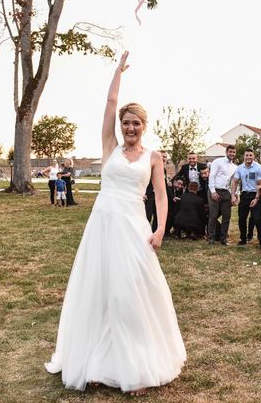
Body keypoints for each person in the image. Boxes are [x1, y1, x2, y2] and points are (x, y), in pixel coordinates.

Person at [45, 51, 186, 396]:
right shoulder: (109, 147)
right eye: (126, 122)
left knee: (130, 295)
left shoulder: (154, 157)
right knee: (98, 292)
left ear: (144, 126)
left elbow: (161, 196)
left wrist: (160, 229)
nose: (130, 128)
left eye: (136, 123)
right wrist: (117, 72)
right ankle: (97, 361)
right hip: (102, 227)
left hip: (133, 228)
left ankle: (136, 367)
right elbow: (110, 102)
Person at [231, 149, 261, 252]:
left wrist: (256, 198)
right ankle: (243, 239)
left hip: (255, 195)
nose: (248, 157)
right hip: (244, 195)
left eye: (250, 155)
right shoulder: (240, 168)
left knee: (257, 219)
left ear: (253, 156)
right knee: (242, 219)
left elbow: (260, 185)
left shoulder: (258, 167)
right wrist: (233, 195)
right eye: (247, 155)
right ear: (244, 156)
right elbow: (235, 181)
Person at [208, 145, 237, 245]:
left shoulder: (235, 167)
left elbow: (234, 182)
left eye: (233, 152)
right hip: (215, 190)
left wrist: (235, 195)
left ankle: (223, 238)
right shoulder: (217, 161)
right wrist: (212, 191)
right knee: (213, 215)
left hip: (226, 192)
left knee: (226, 216)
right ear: (226, 152)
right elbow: (211, 176)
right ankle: (211, 238)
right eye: (230, 152)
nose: (232, 154)